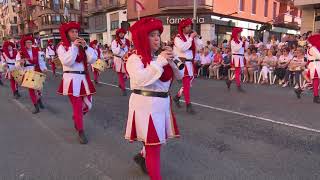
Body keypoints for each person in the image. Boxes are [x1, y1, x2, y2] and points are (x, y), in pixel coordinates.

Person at [124, 17, 183, 180]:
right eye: (152, 35)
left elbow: (181, 74)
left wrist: (171, 60)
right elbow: (141, 79)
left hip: (161, 106)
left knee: (153, 144)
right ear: (143, 37)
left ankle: (143, 157)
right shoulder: (134, 59)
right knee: (154, 148)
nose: (157, 38)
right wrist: (161, 61)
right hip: (146, 107)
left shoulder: (160, 58)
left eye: (158, 34)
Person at [56, 22, 97, 144]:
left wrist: (86, 47)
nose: (75, 34)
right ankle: (80, 130)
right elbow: (67, 61)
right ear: (67, 34)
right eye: (72, 32)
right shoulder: (62, 47)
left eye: (76, 32)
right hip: (71, 80)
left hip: (84, 79)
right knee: (78, 106)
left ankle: (76, 118)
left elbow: (93, 59)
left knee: (88, 105)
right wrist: (74, 47)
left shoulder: (81, 46)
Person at [172, 18, 203, 114]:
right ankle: (188, 105)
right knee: (186, 85)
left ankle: (177, 97)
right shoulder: (178, 38)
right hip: (182, 63)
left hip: (190, 63)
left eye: (190, 26)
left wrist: (196, 37)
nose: (190, 28)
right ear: (183, 28)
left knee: (188, 84)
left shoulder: (191, 37)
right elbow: (183, 48)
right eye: (188, 26)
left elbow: (200, 46)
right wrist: (190, 38)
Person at [16, 35, 47, 114]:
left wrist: (44, 68)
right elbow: (17, 64)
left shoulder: (37, 51)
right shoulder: (21, 52)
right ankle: (36, 106)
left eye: (30, 42)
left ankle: (39, 100)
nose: (29, 43)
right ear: (25, 43)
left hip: (37, 70)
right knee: (31, 90)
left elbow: (41, 61)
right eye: (27, 42)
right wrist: (21, 63)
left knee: (39, 88)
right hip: (27, 72)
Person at [295, 34, 320, 103]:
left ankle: (300, 90)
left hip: (314, 65)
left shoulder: (312, 48)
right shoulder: (313, 48)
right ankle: (316, 97)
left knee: (314, 82)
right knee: (315, 81)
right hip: (315, 66)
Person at [111, 28, 130, 96]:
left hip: (126, 59)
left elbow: (129, 50)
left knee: (128, 74)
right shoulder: (114, 42)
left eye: (122, 33)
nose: (121, 34)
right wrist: (121, 47)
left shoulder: (127, 41)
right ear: (118, 34)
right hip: (118, 60)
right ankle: (123, 89)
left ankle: (121, 84)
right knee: (120, 75)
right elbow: (114, 52)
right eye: (120, 33)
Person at [226, 27, 246, 91]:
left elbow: (242, 50)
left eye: (240, 33)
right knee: (237, 72)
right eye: (239, 33)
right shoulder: (233, 41)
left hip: (240, 57)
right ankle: (238, 86)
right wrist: (242, 42)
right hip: (236, 57)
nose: (240, 34)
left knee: (238, 72)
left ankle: (230, 81)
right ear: (236, 33)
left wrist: (244, 42)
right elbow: (236, 49)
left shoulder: (239, 41)